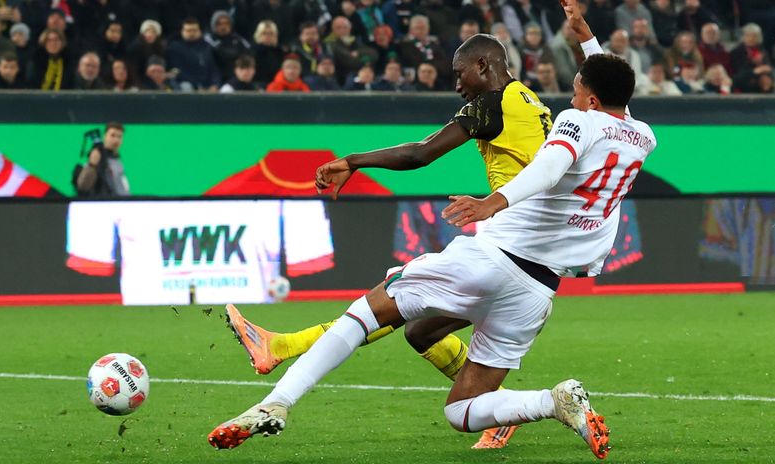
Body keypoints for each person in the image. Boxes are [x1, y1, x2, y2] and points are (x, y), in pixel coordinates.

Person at [210, 2, 653, 458]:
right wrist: (585, 37)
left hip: (498, 246)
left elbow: (427, 154)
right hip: (540, 287)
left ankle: (276, 399)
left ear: (484, 65)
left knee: (373, 307)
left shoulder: (515, 108)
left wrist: (490, 203)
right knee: (445, 378)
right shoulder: (632, 132)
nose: (456, 82)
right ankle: (550, 401)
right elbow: (607, 95)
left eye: (461, 71)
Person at [75, 122, 131, 197]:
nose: (116, 140)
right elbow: (83, 186)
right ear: (105, 136)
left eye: (119, 136)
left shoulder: (117, 161)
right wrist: (92, 165)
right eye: (112, 135)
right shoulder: (96, 157)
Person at [167, 17, 221, 91]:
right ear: (182, 31)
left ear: (199, 31)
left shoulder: (206, 47)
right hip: (185, 84)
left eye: (195, 30)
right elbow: (178, 71)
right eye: (188, 30)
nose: (192, 33)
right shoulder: (175, 48)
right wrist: (197, 86)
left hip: (207, 86)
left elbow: (213, 69)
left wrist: (215, 84)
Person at [205, 11, 251, 83]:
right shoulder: (208, 39)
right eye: (219, 24)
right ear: (213, 25)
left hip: (238, 78)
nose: (223, 27)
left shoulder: (238, 39)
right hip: (217, 79)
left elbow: (248, 53)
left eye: (226, 23)